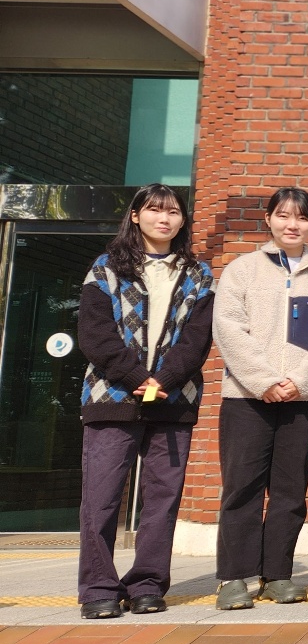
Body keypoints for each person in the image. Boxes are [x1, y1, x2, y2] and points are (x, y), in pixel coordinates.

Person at [75, 184, 215, 619]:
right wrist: (137, 377)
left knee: (162, 500)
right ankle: (98, 588)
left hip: (174, 400)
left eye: (173, 212)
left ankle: (147, 585)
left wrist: (164, 379)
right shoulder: (106, 268)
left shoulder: (199, 273)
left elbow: (198, 339)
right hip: (112, 396)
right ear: (135, 216)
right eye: (154, 210)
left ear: (182, 220)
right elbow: (95, 334)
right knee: (100, 500)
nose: (164, 219)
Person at [212, 187, 308, 610]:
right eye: (284, 216)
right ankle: (234, 578)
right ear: (269, 219)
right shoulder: (241, 270)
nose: (292, 225)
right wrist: (263, 381)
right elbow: (229, 328)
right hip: (246, 398)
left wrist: (299, 381)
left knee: (291, 491)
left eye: (302, 217)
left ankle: (277, 574)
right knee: (242, 488)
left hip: (304, 400)